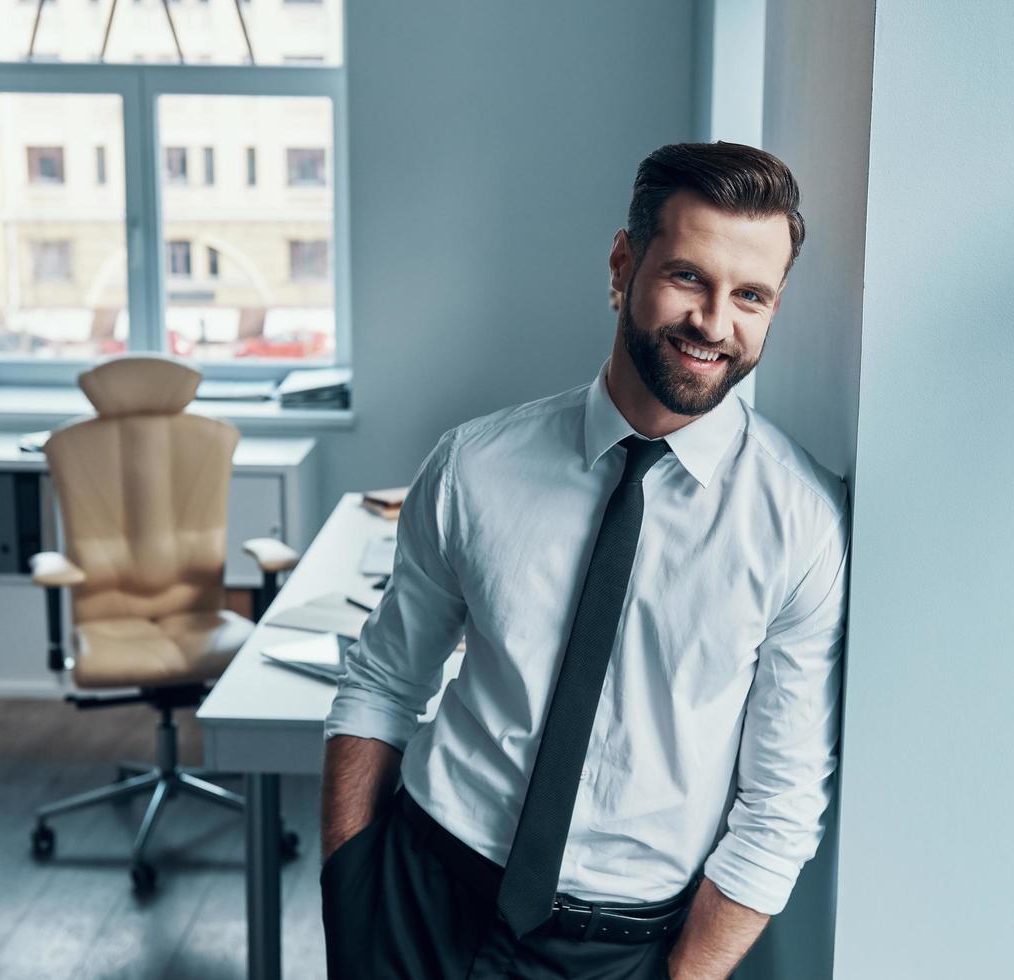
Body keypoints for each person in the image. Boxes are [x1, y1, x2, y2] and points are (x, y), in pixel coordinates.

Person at [320, 141, 851, 979]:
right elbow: (384, 682)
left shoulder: (800, 526)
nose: (714, 323)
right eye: (687, 278)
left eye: (750, 295)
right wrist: (351, 894)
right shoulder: (474, 465)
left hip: (619, 950)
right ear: (622, 264)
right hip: (419, 898)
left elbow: (780, 805)